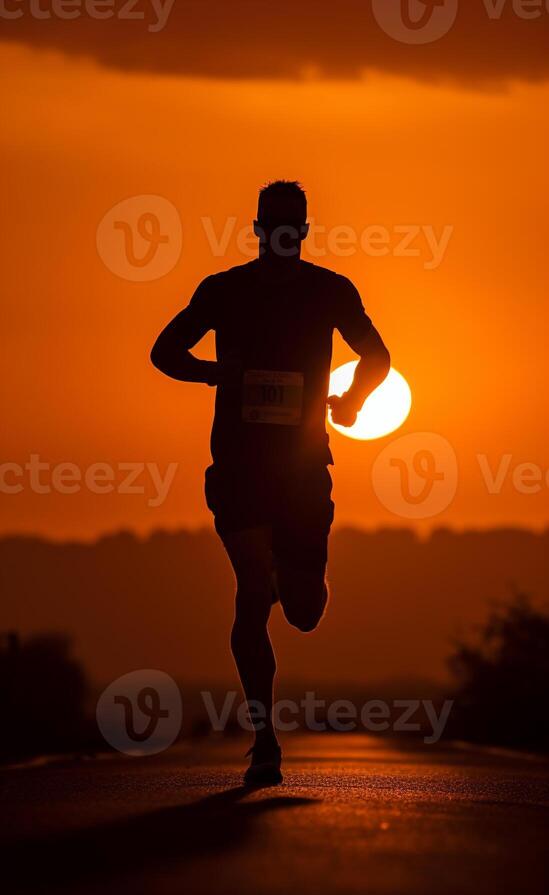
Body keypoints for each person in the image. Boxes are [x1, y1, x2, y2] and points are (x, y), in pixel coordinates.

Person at [151, 181, 390, 785]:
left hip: (305, 467)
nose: (282, 232)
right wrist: (217, 373)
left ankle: (292, 574)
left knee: (304, 612)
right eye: (272, 222)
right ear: (256, 228)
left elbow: (378, 356)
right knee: (252, 590)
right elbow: (163, 351)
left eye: (293, 223)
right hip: (238, 464)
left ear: (305, 231)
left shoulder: (330, 291)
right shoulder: (223, 290)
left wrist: (355, 401)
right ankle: (264, 741)